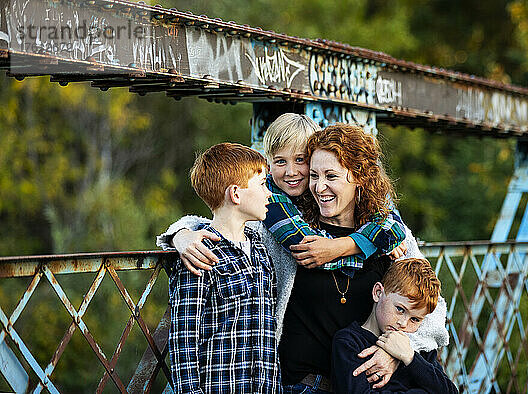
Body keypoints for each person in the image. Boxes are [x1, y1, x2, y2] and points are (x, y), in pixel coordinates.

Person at [157, 118, 440, 392]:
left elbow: (433, 313)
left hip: (363, 384)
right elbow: (224, 220)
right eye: (314, 175)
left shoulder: (388, 235)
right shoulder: (284, 227)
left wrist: (399, 353)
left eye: (331, 176)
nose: (319, 186)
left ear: (359, 180)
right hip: (300, 385)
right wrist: (180, 235)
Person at [168, 142, 279, 393]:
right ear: (236, 194)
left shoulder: (260, 249)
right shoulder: (200, 253)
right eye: (262, 185)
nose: (268, 194)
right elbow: (184, 342)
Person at [331, 258, 458, 393]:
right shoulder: (348, 342)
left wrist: (410, 357)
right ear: (378, 292)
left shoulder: (419, 348)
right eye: (400, 309)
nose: (403, 323)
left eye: (414, 319)